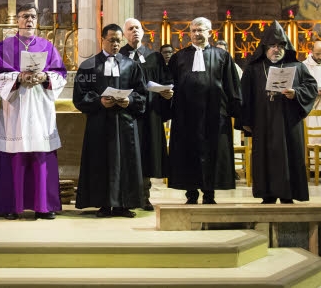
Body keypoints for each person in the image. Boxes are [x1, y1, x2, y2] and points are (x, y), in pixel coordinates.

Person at [0, 3, 67, 220]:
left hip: (40, 106)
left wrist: (45, 77)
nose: (29, 20)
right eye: (25, 16)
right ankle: (12, 206)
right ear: (17, 20)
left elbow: (61, 73)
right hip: (16, 107)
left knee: (41, 155)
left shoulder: (47, 46)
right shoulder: (5, 46)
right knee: (16, 155)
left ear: (37, 20)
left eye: (32, 16)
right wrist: (17, 77)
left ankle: (44, 206)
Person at [240, 21, 318, 204]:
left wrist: (296, 93)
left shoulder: (297, 67)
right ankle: (267, 194)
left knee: (289, 155)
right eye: (272, 46)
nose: (276, 49)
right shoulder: (253, 69)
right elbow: (244, 96)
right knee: (265, 156)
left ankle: (288, 193)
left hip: (288, 121)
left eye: (280, 45)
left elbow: (311, 87)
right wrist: (245, 120)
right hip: (263, 121)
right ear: (265, 47)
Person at [74, 23, 147, 217]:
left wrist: (129, 100)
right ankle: (103, 204)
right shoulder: (89, 65)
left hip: (124, 123)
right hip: (99, 123)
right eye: (111, 40)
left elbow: (142, 93)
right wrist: (99, 101)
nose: (115, 44)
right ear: (103, 40)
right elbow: (80, 95)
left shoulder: (131, 65)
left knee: (125, 161)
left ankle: (124, 204)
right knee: (100, 161)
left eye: (118, 40)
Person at [168, 17, 241, 205]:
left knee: (213, 154)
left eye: (200, 30)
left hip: (214, 115)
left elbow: (232, 86)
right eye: (193, 30)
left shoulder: (222, 56)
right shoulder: (179, 57)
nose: (196, 34)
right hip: (186, 115)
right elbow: (170, 84)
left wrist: (235, 112)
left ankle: (209, 194)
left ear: (210, 32)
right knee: (188, 153)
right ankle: (191, 194)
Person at [119, 18, 172, 211]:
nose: (135, 31)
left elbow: (166, 79)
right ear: (124, 34)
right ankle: (126, 197)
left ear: (143, 32)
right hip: (127, 112)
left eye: (138, 28)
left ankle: (145, 196)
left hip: (150, 113)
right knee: (128, 153)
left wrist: (167, 92)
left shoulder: (154, 57)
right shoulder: (120, 56)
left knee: (147, 153)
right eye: (130, 29)